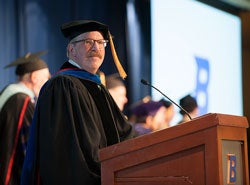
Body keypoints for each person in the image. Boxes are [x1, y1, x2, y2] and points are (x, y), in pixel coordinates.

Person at [21, 20, 135, 185]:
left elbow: (123, 133)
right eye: (89, 42)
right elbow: (65, 152)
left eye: (101, 43)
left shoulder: (98, 88)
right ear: (71, 50)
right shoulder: (61, 86)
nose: (96, 48)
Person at [0, 51, 50, 185]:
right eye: (46, 77)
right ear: (33, 77)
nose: (47, 81)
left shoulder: (7, 92)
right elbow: (29, 149)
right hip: (11, 176)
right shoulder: (23, 101)